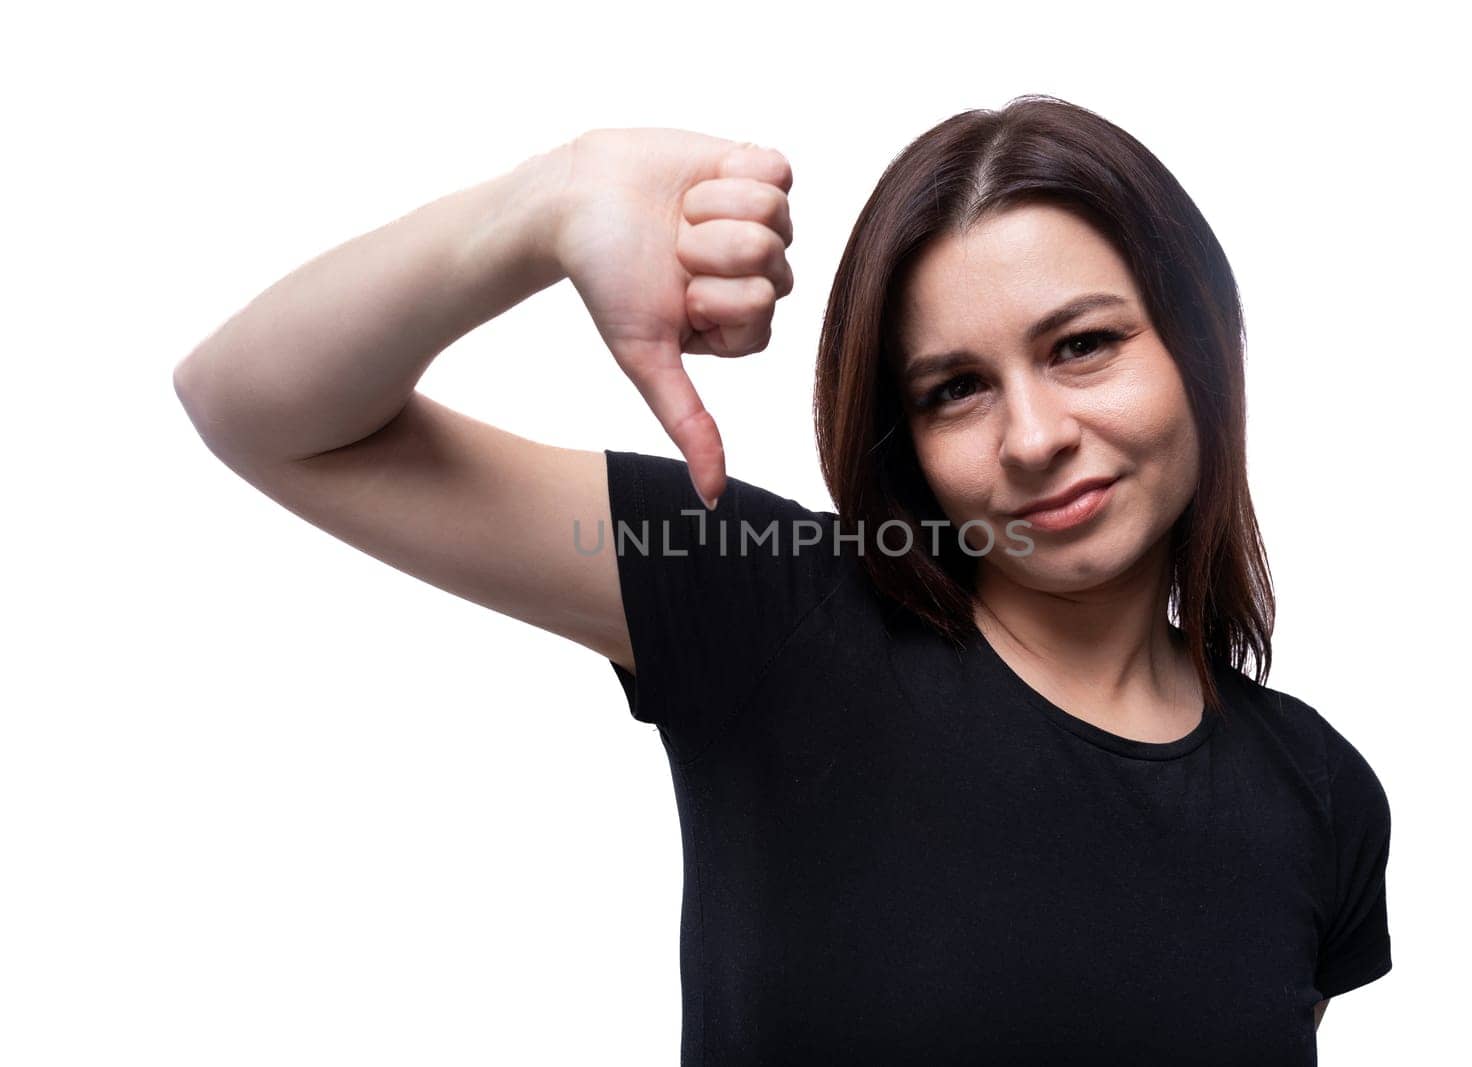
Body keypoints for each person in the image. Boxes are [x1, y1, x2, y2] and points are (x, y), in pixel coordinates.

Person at [173, 94, 1393, 1065]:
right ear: (899, 433)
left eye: (1082, 345)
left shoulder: (1319, 795)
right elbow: (257, 408)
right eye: (954, 388)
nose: (1030, 435)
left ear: (1201, 345)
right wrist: (546, 205)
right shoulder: (767, 602)